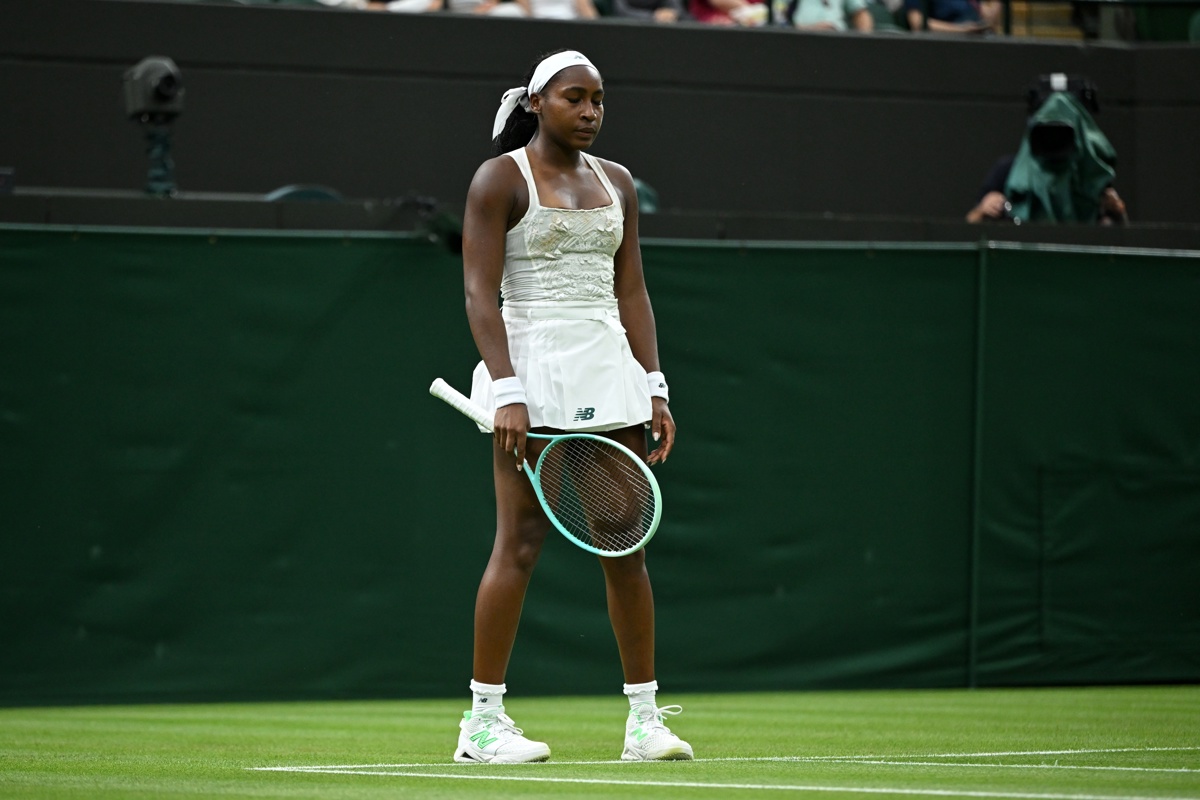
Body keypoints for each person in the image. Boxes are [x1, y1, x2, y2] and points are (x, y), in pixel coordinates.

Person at [454, 49, 690, 765]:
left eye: (599, 101)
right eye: (574, 99)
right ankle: (483, 725)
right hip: (532, 370)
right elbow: (478, 294)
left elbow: (632, 292)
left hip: (606, 367)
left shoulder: (618, 182)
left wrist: (654, 384)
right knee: (520, 543)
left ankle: (644, 722)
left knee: (625, 543)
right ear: (536, 104)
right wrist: (509, 389)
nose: (590, 112)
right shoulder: (499, 179)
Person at [967, 79, 1128, 225]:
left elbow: (1119, 241)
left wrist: (1117, 213)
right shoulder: (1008, 171)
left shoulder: (1093, 176)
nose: (1055, 139)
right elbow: (970, 223)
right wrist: (982, 210)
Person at [904, 0, 1000, 33]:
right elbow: (917, 22)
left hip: (976, 42)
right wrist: (961, 30)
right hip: (943, 47)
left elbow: (988, 18)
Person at [611, 0, 686, 23]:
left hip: (661, 33)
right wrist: (654, 16)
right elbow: (621, 12)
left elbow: (677, 9)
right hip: (629, 31)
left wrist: (672, 13)